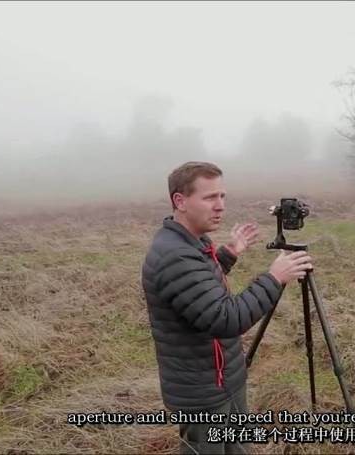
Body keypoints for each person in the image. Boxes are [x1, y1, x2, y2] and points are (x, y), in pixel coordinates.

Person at [141, 161, 313, 454]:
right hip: (204, 393)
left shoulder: (191, 242)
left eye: (222, 196)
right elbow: (226, 318)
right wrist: (274, 278)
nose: (220, 206)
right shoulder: (175, 256)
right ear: (179, 201)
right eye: (209, 197)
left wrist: (229, 253)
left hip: (222, 378)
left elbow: (199, 288)